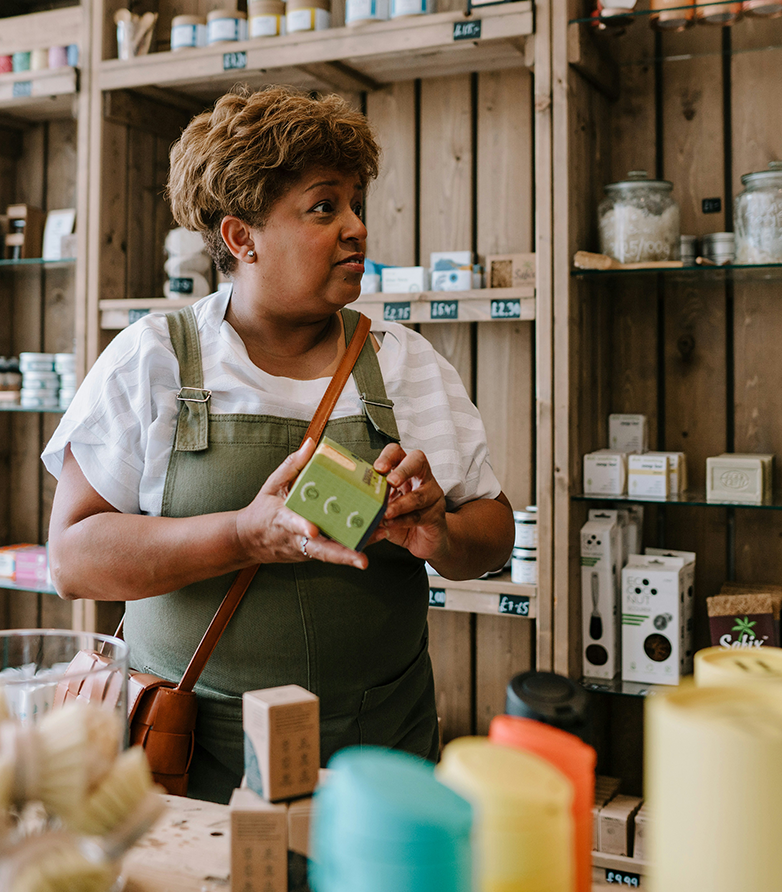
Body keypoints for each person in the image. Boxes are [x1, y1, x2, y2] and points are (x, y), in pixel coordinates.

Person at [43, 86, 514, 802]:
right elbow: (74, 560)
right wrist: (243, 535)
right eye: (325, 207)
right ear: (242, 237)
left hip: (375, 763)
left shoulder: (404, 362)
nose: (356, 228)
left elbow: (496, 533)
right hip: (189, 762)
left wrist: (438, 530)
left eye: (357, 203)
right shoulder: (155, 361)